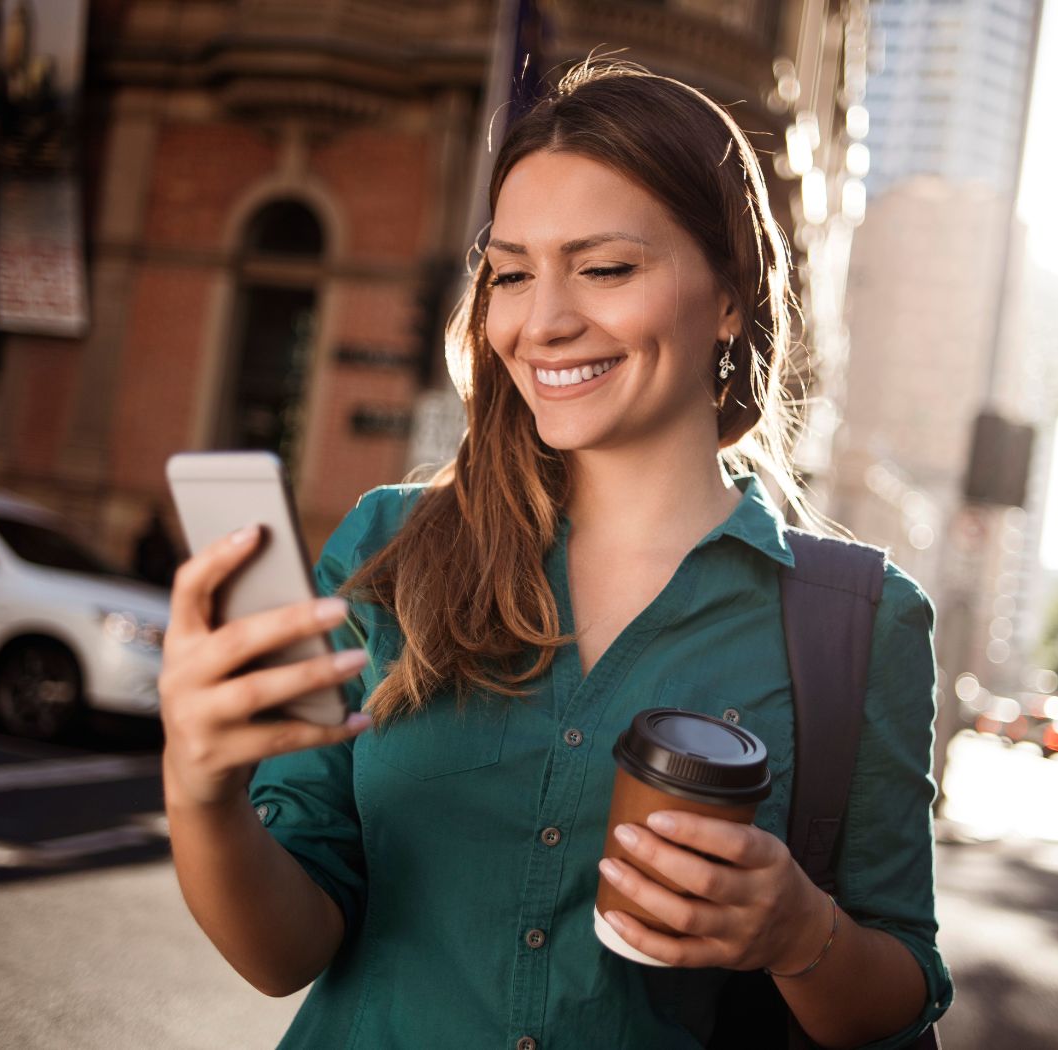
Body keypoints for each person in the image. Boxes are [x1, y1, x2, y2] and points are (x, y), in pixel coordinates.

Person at [160, 60, 952, 1049]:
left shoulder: (860, 625)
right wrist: (199, 791)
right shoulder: (387, 548)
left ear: (727, 297)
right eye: (511, 272)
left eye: (605, 268)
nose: (542, 321)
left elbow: (898, 988)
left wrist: (796, 932)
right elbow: (280, 955)